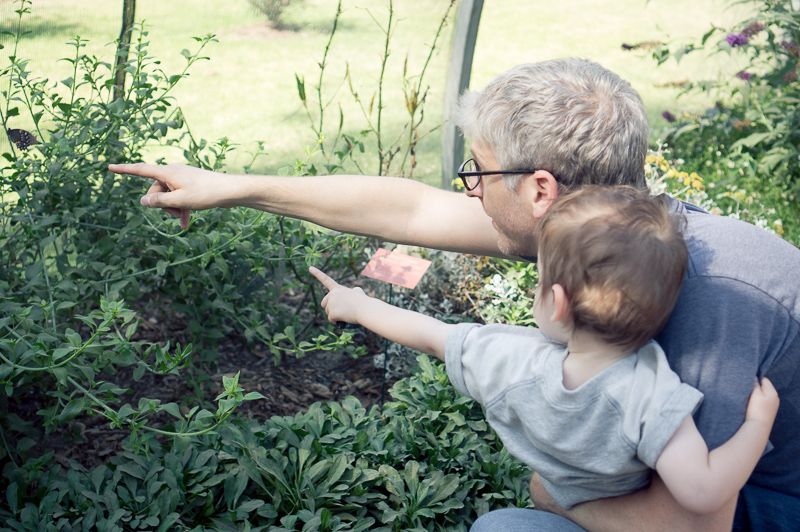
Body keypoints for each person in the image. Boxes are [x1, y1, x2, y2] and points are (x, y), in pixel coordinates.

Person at [109, 58, 800, 531]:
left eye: (478, 169)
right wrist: (235, 187)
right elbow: (409, 212)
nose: (468, 186)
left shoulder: (720, 296)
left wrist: (557, 497)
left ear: (539, 190)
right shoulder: (604, 240)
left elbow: (688, 521)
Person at [309, 185, 779, 516]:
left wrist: (358, 304)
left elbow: (428, 332)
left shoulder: (511, 360)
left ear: (556, 304)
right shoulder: (652, 397)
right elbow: (702, 492)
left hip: (566, 501)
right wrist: (757, 425)